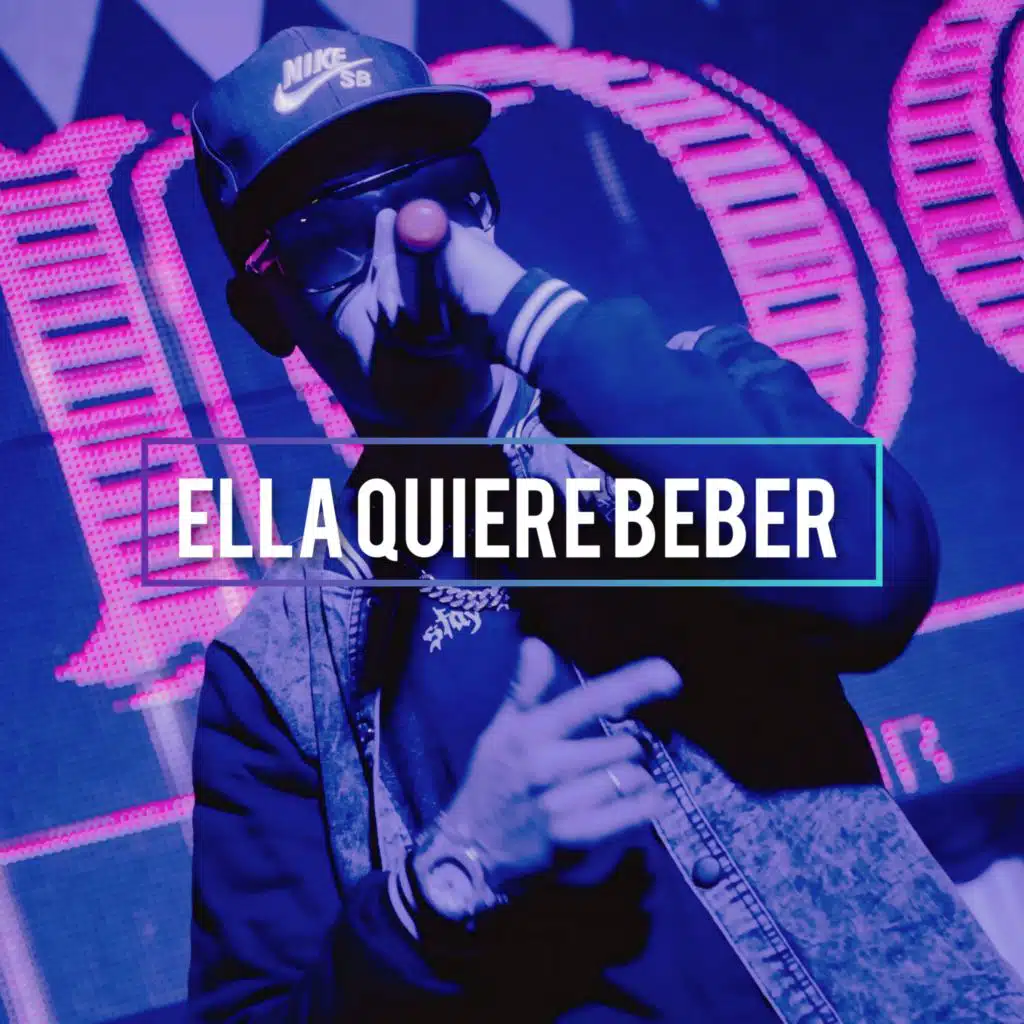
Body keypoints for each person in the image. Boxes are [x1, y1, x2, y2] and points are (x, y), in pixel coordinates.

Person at [186, 26, 1024, 1023]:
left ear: (483, 206)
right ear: (262, 313)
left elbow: (872, 577)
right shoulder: (280, 664)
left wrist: (525, 314)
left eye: (434, 193)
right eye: (328, 236)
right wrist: (447, 883)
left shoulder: (695, 388)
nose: (400, 249)